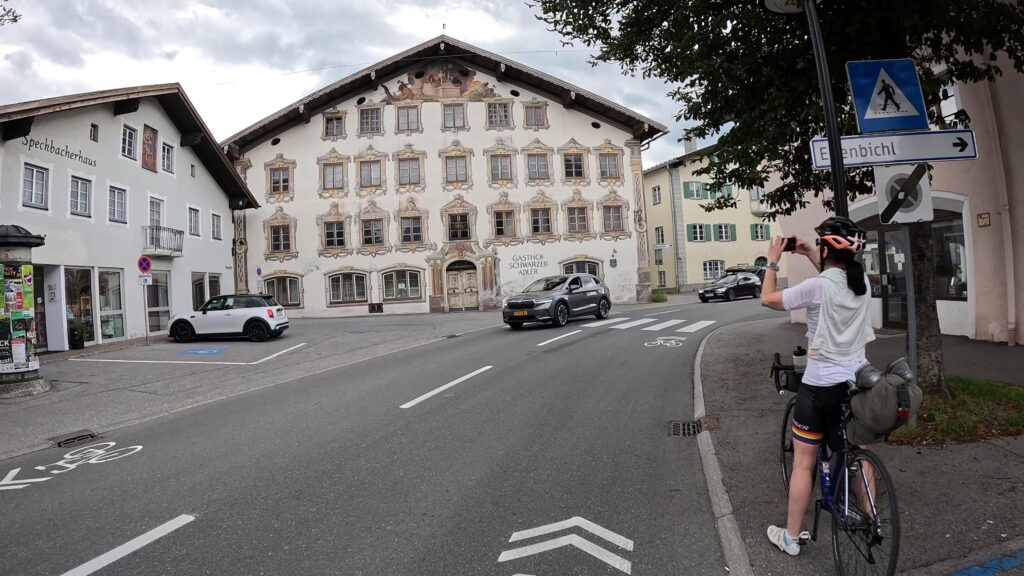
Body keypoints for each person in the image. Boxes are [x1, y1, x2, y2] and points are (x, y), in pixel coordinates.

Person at [759, 216, 875, 556]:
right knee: (860, 452)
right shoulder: (862, 284)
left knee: (804, 463)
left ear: (827, 250)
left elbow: (767, 298)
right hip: (856, 384)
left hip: (820, 387)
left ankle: (791, 538)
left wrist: (772, 261)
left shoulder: (816, 287)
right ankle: (872, 520)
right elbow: (834, 279)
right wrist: (811, 252)